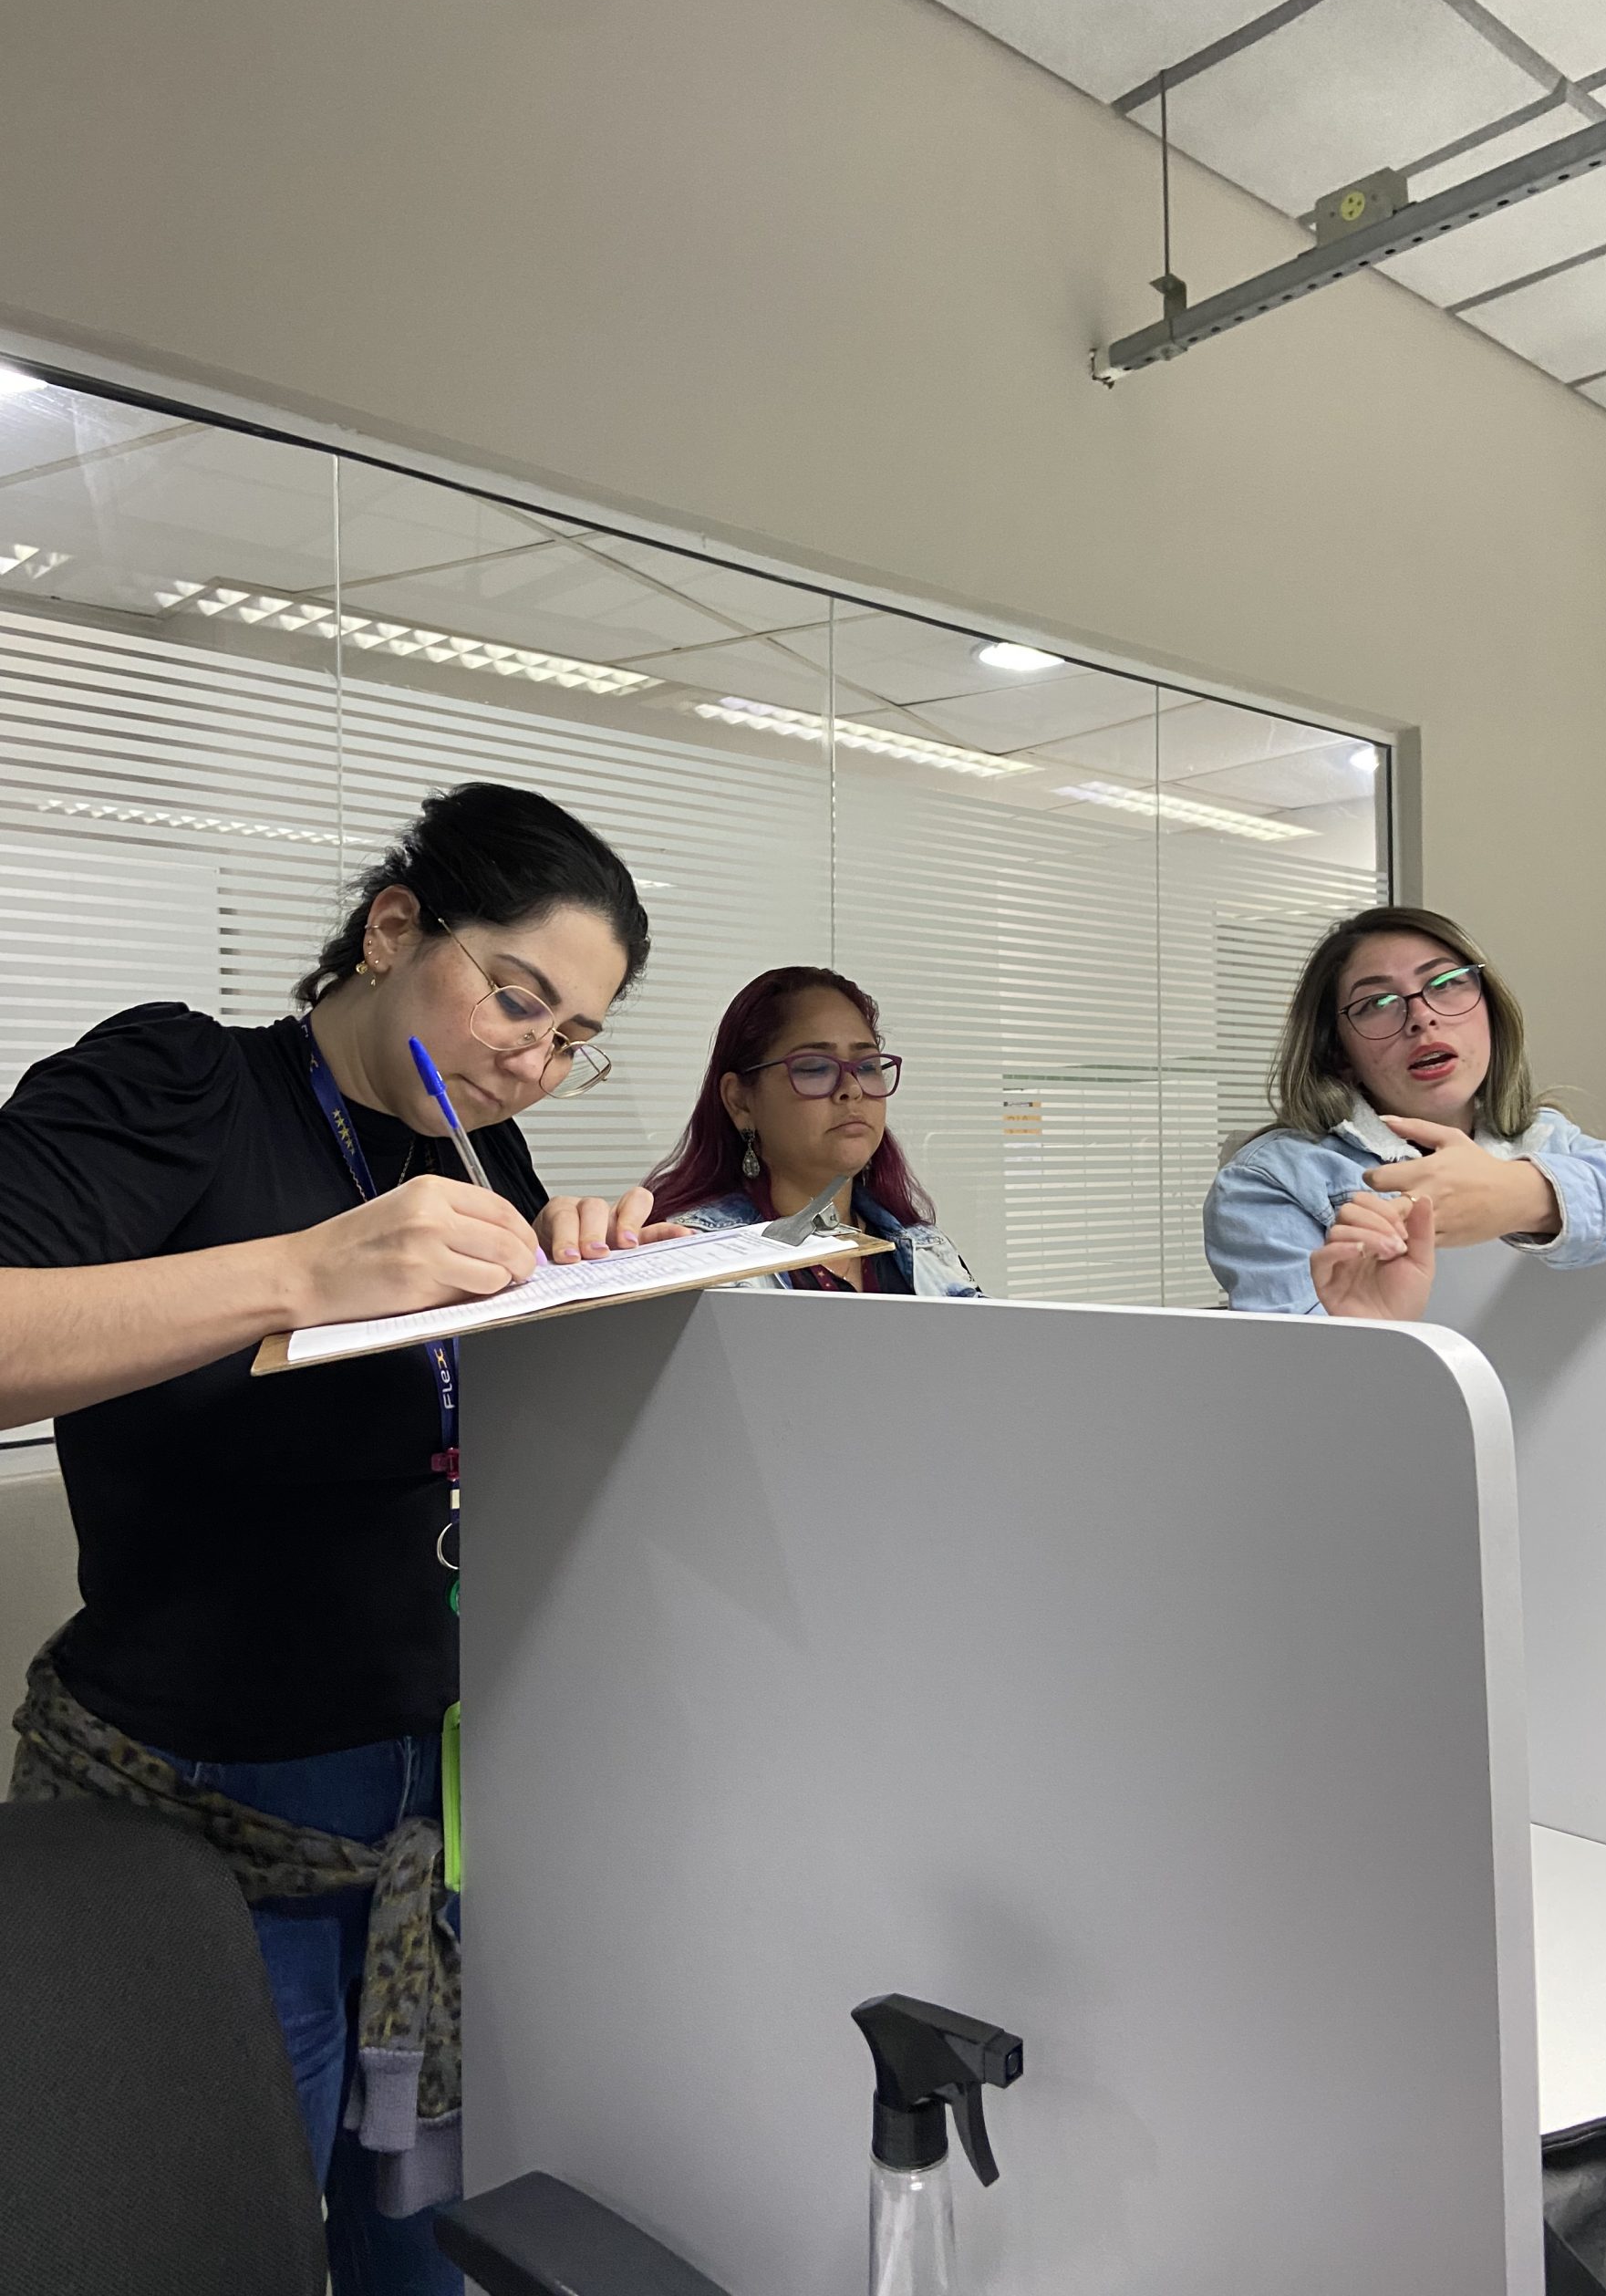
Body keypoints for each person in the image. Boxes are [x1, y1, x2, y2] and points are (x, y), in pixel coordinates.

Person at [0, 782, 683, 2295]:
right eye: (517, 998)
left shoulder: (479, 1160)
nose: (532, 1060)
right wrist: (300, 1273)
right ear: (391, 930)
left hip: (425, 1813)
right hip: (204, 1816)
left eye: (572, 1037)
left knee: (423, 2251)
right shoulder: (182, 1083)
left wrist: (586, 1286)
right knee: (212, 2243)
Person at [1204, 904, 1606, 1321]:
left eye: (1446, 984)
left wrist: (1531, 1196)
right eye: (1377, 1003)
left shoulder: (1546, 1140)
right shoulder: (1271, 1179)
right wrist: (1370, 1333)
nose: (1421, 1017)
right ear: (1338, 1053)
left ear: (1490, 1010)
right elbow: (1287, 1400)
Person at [647, 965, 979, 1296]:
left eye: (867, 1067)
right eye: (815, 1068)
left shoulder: (928, 1251)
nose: (852, 1089)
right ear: (740, 1102)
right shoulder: (693, 1256)